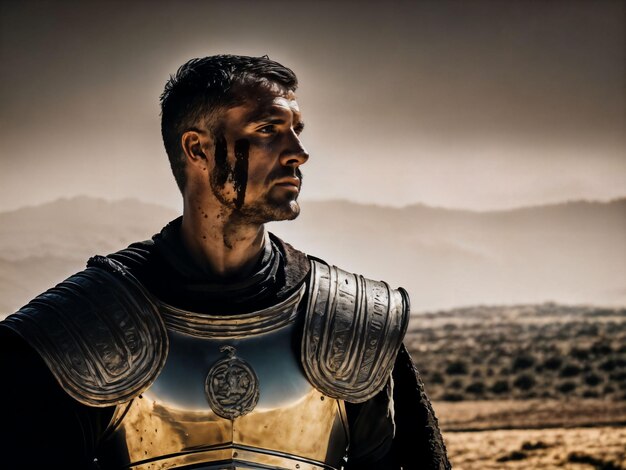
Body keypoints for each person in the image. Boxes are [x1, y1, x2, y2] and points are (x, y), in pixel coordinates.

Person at [0, 55, 449, 470]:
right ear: (197, 149)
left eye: (298, 131)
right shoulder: (79, 327)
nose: (298, 152)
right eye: (268, 129)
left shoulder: (352, 323)